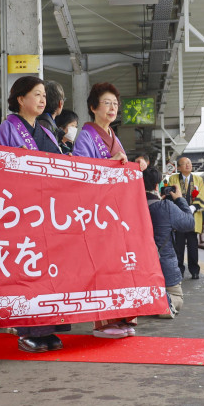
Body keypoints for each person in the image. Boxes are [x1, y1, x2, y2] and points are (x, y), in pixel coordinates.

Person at [0, 76, 70, 353]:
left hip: (47, 214)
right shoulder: (6, 129)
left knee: (48, 272)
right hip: (20, 214)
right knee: (25, 272)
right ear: (20, 99)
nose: (42, 99)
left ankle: (49, 329)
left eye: (44, 95)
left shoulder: (47, 132)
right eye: (36, 94)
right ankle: (27, 331)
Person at [72, 82, 133, 338]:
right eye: (106, 102)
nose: (112, 108)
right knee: (100, 265)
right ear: (93, 107)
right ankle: (102, 322)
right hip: (94, 212)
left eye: (115, 104)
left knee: (118, 265)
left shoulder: (114, 137)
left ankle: (121, 317)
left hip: (113, 213)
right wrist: (112, 162)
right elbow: (79, 171)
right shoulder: (85, 136)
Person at [144, 166, 191, 317]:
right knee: (178, 299)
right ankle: (163, 302)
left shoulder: (130, 206)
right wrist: (179, 199)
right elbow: (189, 223)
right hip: (165, 268)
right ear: (157, 186)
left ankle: (143, 301)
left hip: (137, 268)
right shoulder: (166, 206)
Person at [167, 156, 204, 279]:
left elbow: (202, 195)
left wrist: (193, 207)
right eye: (184, 163)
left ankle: (194, 270)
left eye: (189, 163)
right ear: (178, 167)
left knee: (193, 246)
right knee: (178, 246)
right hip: (178, 217)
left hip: (193, 217)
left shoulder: (198, 179)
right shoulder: (173, 178)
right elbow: (170, 194)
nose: (188, 165)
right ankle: (179, 270)